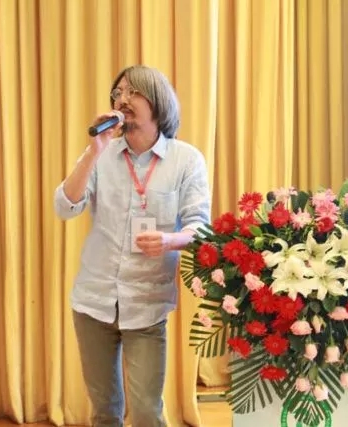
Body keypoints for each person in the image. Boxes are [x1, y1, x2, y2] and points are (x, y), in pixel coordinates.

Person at [53, 65, 211, 427]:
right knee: (104, 412)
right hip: (93, 300)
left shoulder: (186, 160)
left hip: (146, 303)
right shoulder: (102, 154)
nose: (122, 100)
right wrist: (93, 151)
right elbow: (64, 207)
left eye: (132, 92)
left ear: (157, 101)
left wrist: (169, 241)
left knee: (145, 412)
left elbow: (201, 229)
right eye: (118, 93)